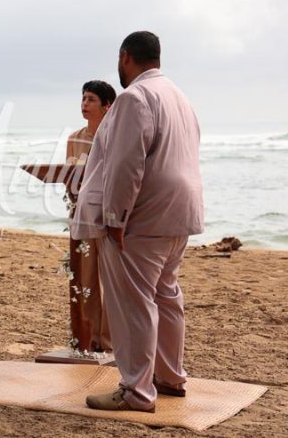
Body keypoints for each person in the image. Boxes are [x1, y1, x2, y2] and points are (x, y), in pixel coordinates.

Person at [73, 31, 204, 412]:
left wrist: (115, 216)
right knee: (166, 295)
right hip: (181, 212)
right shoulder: (179, 95)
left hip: (144, 216)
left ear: (125, 57)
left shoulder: (134, 97)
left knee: (133, 303)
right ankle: (170, 376)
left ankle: (136, 390)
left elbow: (127, 163)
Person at [65, 80, 116, 353]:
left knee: (111, 278)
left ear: (107, 106)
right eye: (83, 98)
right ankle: (92, 337)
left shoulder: (116, 137)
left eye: (91, 100)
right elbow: (68, 177)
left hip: (111, 215)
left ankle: (109, 340)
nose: (84, 104)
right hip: (82, 215)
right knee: (87, 277)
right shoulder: (74, 138)